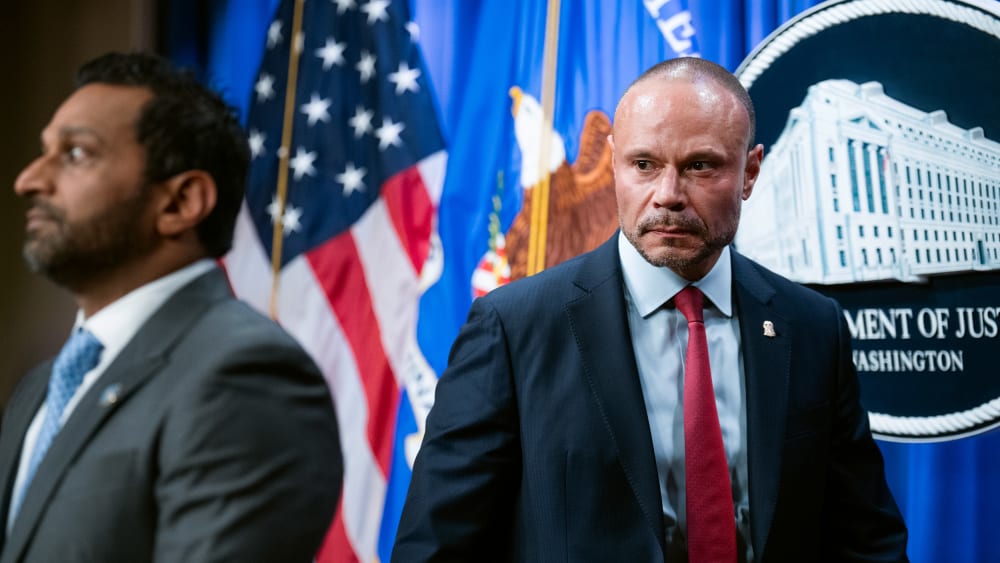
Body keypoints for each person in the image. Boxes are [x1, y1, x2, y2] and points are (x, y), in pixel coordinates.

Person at [392, 58, 907, 562]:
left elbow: (865, 541)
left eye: (700, 166)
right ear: (614, 163)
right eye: (644, 165)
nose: (668, 195)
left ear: (749, 172)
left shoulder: (813, 327)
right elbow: (437, 545)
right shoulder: (513, 328)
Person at [0, 52, 342, 562]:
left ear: (180, 203)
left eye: (74, 154)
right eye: (43, 152)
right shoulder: (40, 388)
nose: (28, 180)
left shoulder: (245, 375)